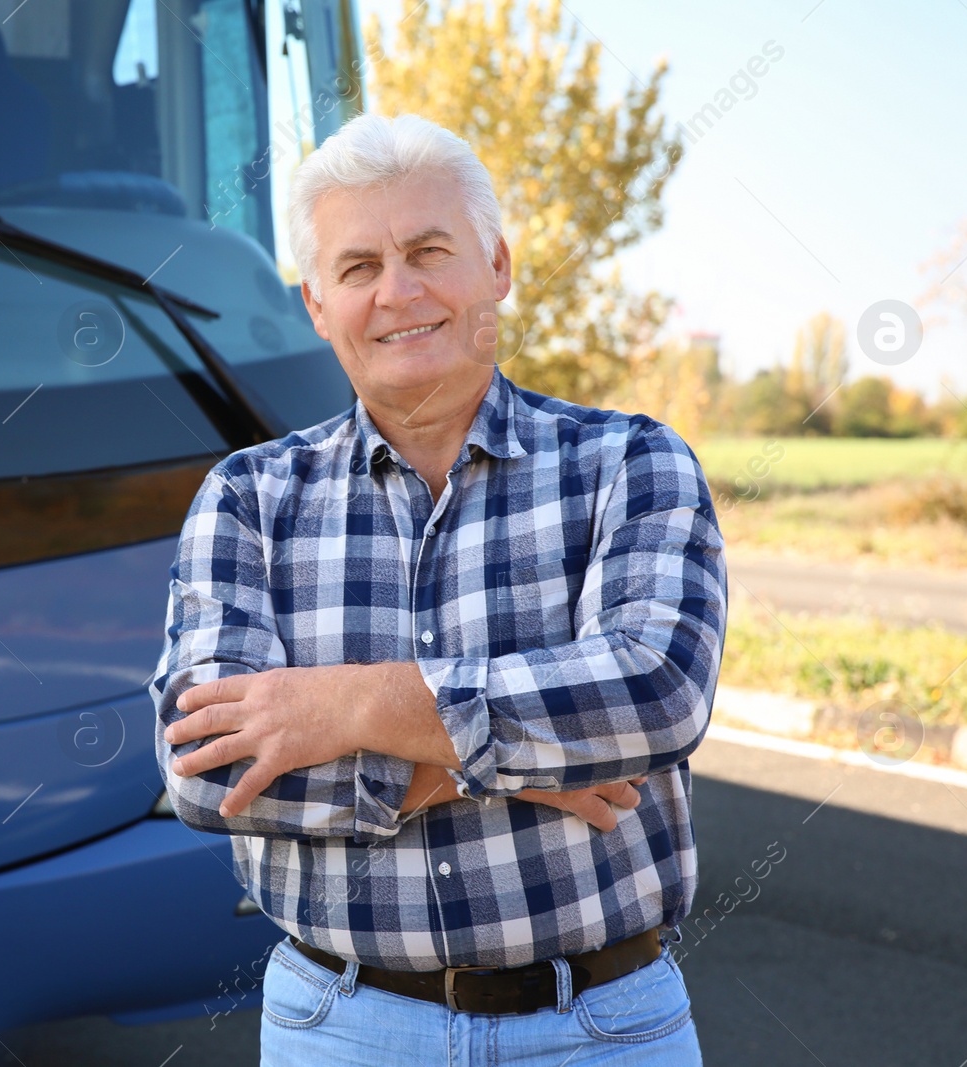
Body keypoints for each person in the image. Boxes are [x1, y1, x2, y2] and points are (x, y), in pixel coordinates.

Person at [150, 111, 727, 1065]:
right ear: (315, 304)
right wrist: (519, 758)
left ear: (496, 266)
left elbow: (654, 694)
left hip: (603, 1027)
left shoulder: (632, 462)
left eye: (429, 251)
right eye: (359, 268)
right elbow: (206, 774)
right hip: (337, 1026)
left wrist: (352, 703)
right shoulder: (247, 499)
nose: (398, 292)